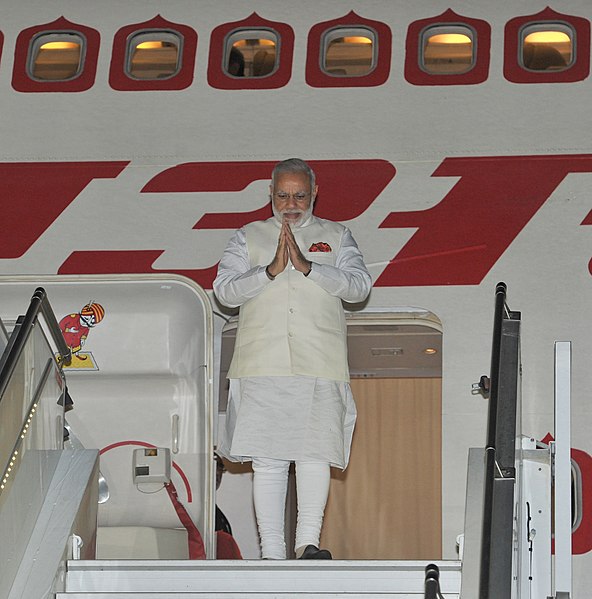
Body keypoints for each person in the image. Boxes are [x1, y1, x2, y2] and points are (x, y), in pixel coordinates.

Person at [213, 158, 372, 560]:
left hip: (319, 363)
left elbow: (358, 288)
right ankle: (272, 552)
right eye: (282, 195)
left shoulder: (336, 236)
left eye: (299, 195)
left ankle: (308, 545)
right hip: (261, 364)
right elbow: (224, 292)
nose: (290, 203)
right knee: (268, 460)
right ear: (270, 193)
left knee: (314, 453)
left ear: (314, 193)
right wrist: (268, 271)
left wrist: (309, 268)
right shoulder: (247, 237)